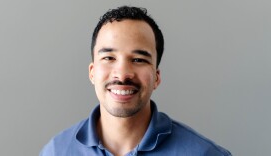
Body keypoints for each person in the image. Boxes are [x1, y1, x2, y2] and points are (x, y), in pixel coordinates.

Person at [40, 6, 232, 156]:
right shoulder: (56, 151)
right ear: (92, 72)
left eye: (138, 60)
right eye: (109, 58)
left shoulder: (204, 154)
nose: (122, 74)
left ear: (156, 77)